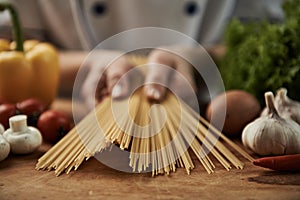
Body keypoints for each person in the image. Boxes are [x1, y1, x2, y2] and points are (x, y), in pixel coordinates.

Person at [0, 0, 285, 110]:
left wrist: (200, 61)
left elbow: (270, 42)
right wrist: (87, 66)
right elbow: (9, 46)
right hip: (74, 115)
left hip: (202, 115)